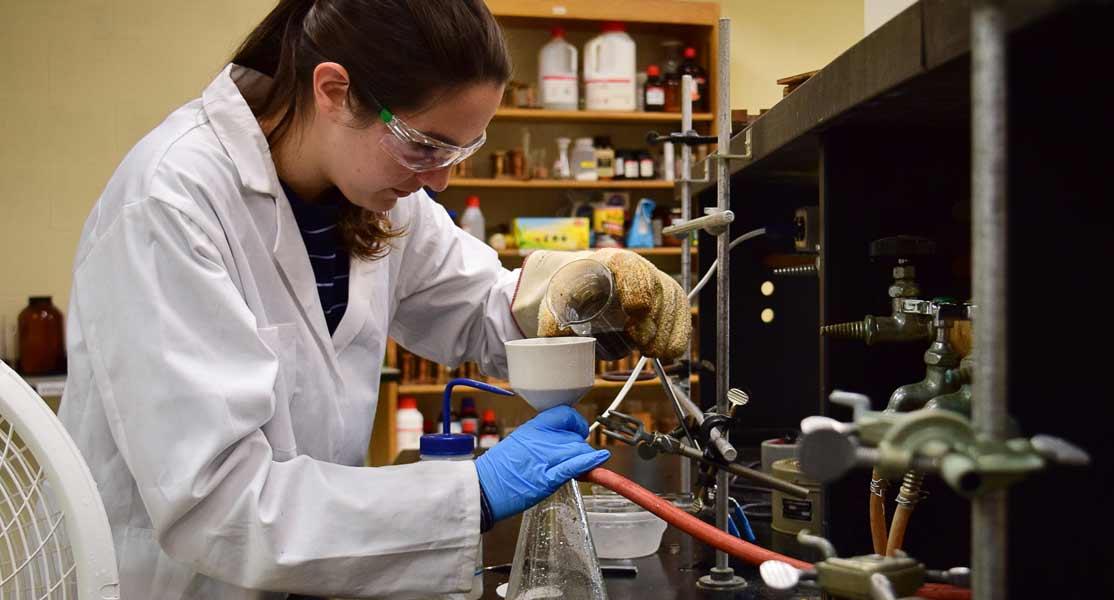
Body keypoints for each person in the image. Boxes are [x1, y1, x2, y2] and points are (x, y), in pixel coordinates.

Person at [56, 1, 690, 598]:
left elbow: (479, 307)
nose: (439, 178)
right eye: (427, 145)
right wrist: (473, 493)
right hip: (177, 584)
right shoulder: (170, 203)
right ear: (334, 91)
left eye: (459, 149)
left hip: (314, 577)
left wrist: (585, 293)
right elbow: (219, 502)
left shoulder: (375, 190)